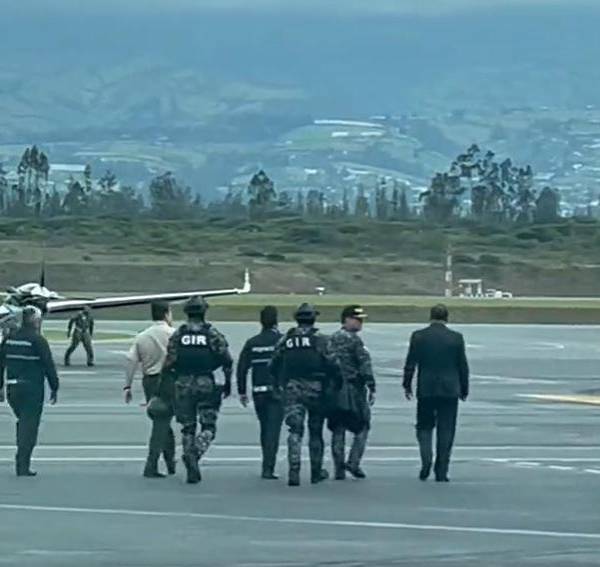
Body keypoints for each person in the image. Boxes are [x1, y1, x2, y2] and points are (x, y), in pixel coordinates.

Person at [160, 296, 233, 484]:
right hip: (205, 383)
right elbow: (227, 359)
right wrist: (227, 383)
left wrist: (165, 385)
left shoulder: (179, 334)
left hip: (183, 384)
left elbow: (169, 362)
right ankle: (195, 452)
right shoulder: (211, 334)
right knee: (208, 427)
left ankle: (189, 459)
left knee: (188, 427)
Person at [269, 303, 341, 487]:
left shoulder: (286, 340)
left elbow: (273, 363)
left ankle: (294, 471)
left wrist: (279, 383)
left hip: (292, 388)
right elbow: (334, 364)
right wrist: (336, 385)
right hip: (316, 389)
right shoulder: (321, 340)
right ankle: (316, 472)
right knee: (315, 431)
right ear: (313, 319)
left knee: (295, 430)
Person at [403, 304, 469, 482]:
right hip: (450, 389)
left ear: (430, 317)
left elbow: (411, 363)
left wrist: (407, 384)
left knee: (424, 426)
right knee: (446, 430)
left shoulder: (419, 336)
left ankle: (426, 460)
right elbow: (462, 365)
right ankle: (442, 470)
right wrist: (464, 388)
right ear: (447, 318)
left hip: (426, 388)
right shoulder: (456, 338)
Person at [0, 306, 59, 476]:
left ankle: (22, 451)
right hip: (32, 389)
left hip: (13, 389)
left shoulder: (9, 339)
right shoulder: (38, 340)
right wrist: (54, 387)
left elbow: (0, 364)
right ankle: (22, 463)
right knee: (29, 426)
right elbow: (48, 365)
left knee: (23, 422)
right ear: (35, 321)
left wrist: (0, 387)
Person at [124, 301, 176, 478]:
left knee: (162, 420)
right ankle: (152, 464)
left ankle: (170, 461)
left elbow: (131, 360)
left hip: (150, 380)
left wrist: (128, 385)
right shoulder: (174, 334)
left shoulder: (142, 336)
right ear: (167, 314)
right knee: (162, 422)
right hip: (169, 380)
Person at [328, 305, 376, 480]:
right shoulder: (354, 341)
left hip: (334, 389)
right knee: (363, 426)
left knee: (338, 428)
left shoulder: (331, 339)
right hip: (353, 389)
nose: (360, 322)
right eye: (357, 319)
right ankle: (353, 462)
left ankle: (338, 468)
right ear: (347, 320)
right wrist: (371, 385)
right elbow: (364, 365)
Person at [237, 306, 283, 480]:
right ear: (276, 321)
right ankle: (268, 467)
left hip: (259, 392)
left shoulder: (252, 343)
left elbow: (242, 368)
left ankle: (267, 462)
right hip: (277, 392)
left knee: (265, 428)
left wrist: (242, 391)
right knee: (273, 430)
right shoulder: (282, 341)